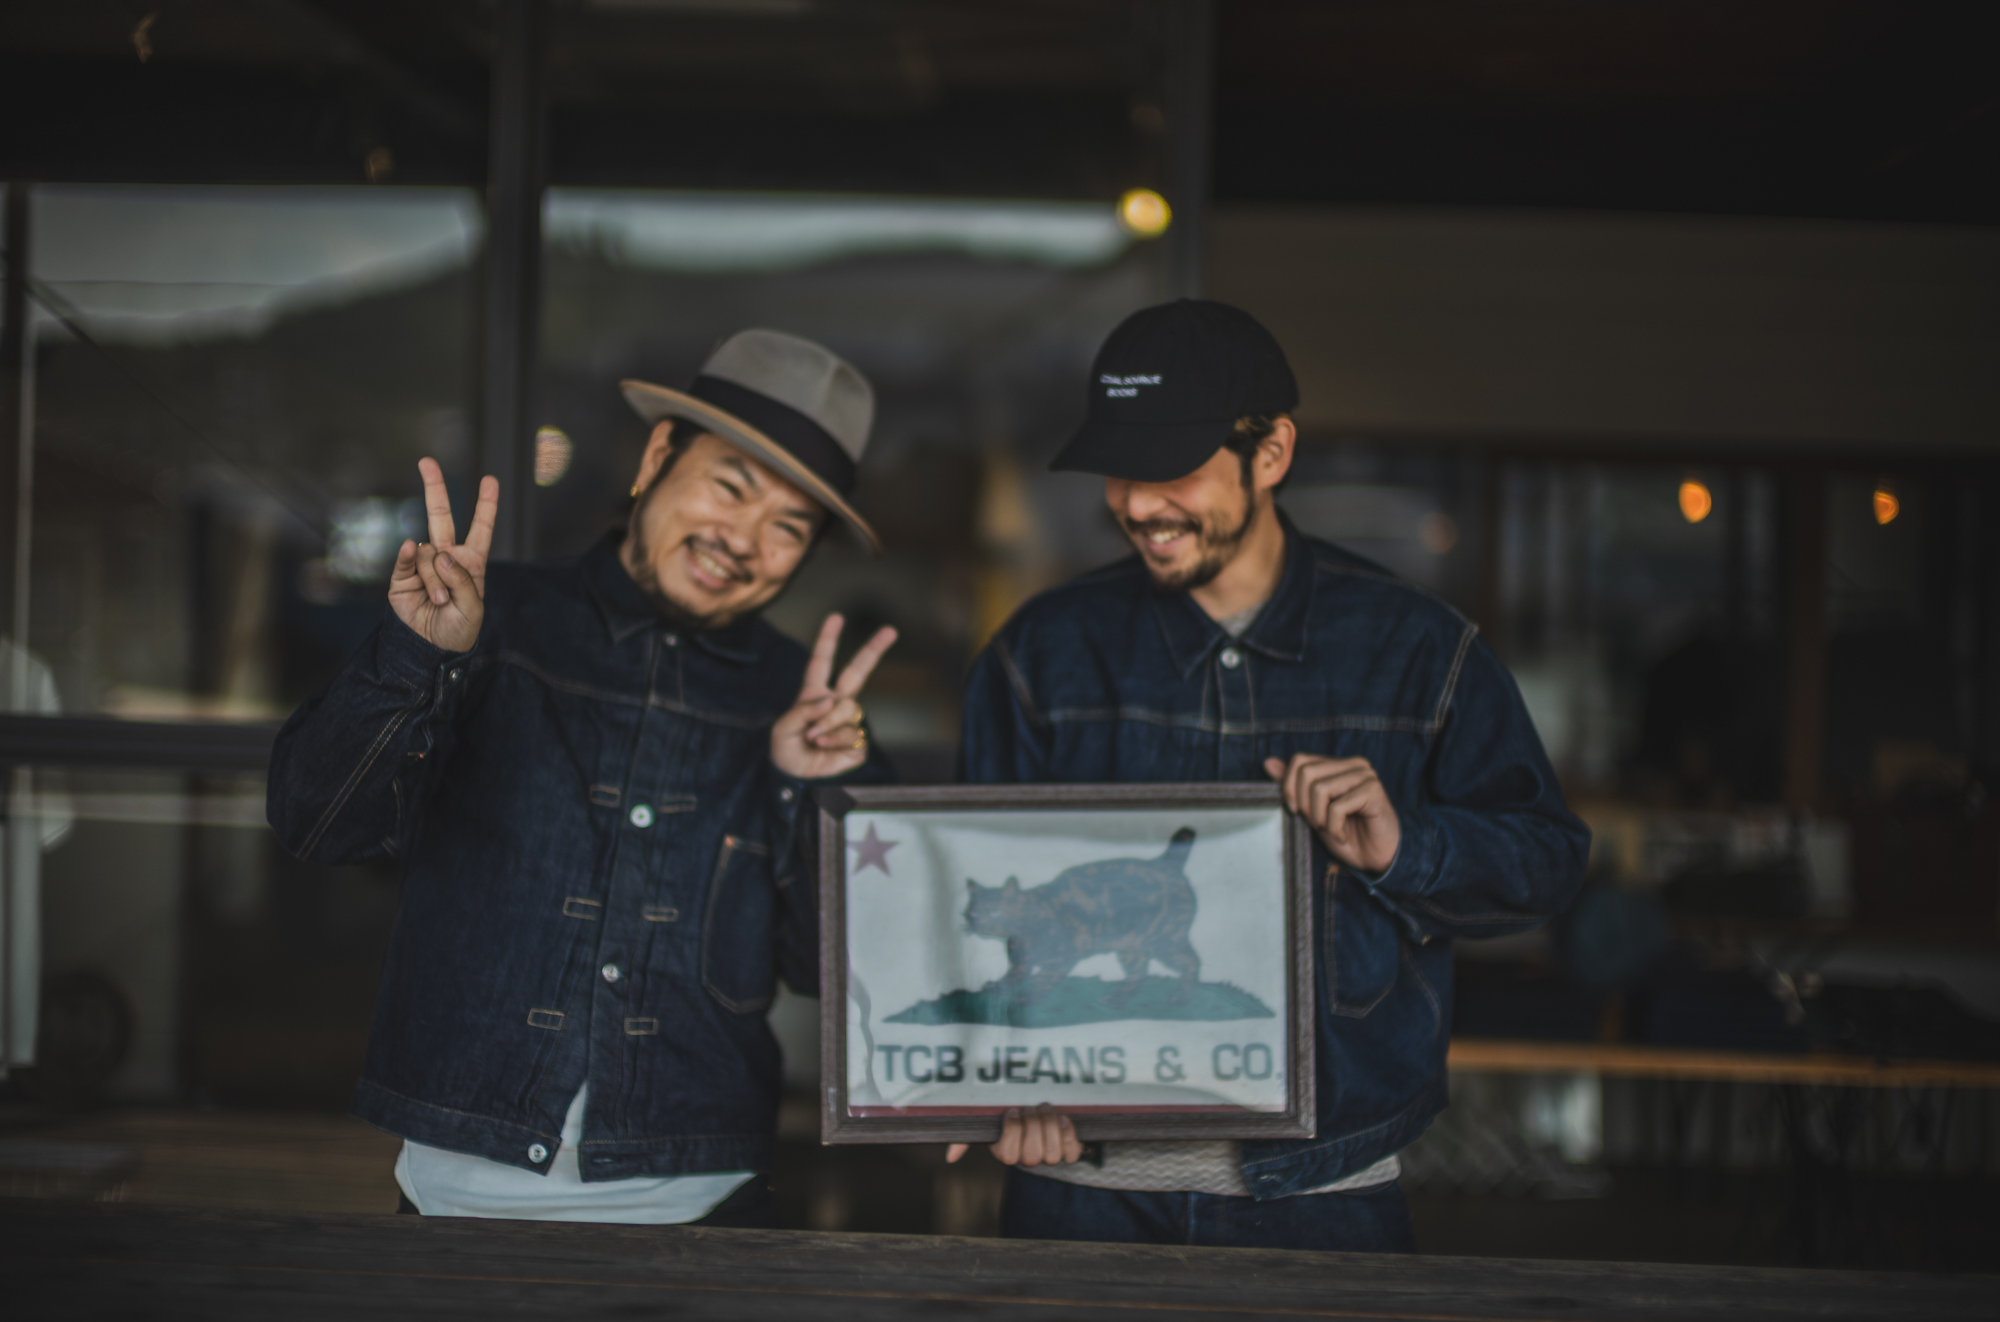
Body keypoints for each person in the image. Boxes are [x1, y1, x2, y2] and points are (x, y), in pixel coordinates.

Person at [947, 299, 1589, 1251]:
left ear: (1273, 452)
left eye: (1172, 467)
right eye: (1120, 470)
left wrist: (1406, 849)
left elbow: (1548, 862)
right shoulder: (1040, 654)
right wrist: (994, 1084)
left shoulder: (1420, 649)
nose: (1137, 504)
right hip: (1076, 1192)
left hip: (1327, 1197)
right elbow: (968, 910)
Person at [268, 329, 897, 1226]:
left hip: (704, 1202)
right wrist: (416, 659)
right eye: (730, 488)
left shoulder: (809, 705)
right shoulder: (486, 619)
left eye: (789, 527)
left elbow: (840, 969)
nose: (744, 539)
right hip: (454, 1195)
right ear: (657, 455)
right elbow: (316, 820)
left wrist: (808, 788)